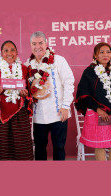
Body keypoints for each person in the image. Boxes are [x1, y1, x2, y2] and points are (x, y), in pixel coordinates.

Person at [75, 42, 111, 161]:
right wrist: (98, 110)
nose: (105, 55)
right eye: (101, 52)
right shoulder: (89, 72)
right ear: (95, 55)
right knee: (100, 145)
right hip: (97, 114)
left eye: (108, 52)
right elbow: (84, 95)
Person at [25, 31, 75, 160]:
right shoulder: (28, 65)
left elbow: (69, 82)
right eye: (34, 43)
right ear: (30, 46)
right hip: (39, 116)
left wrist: (65, 106)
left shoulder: (58, 60)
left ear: (46, 44)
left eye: (41, 43)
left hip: (58, 113)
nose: (38, 46)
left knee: (59, 147)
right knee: (40, 148)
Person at [0, 40, 33, 160]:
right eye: (6, 50)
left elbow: (28, 92)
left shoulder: (24, 68)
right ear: (1, 53)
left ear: (17, 52)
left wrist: (23, 93)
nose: (9, 53)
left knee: (22, 149)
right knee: (0, 149)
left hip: (19, 114)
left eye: (12, 50)